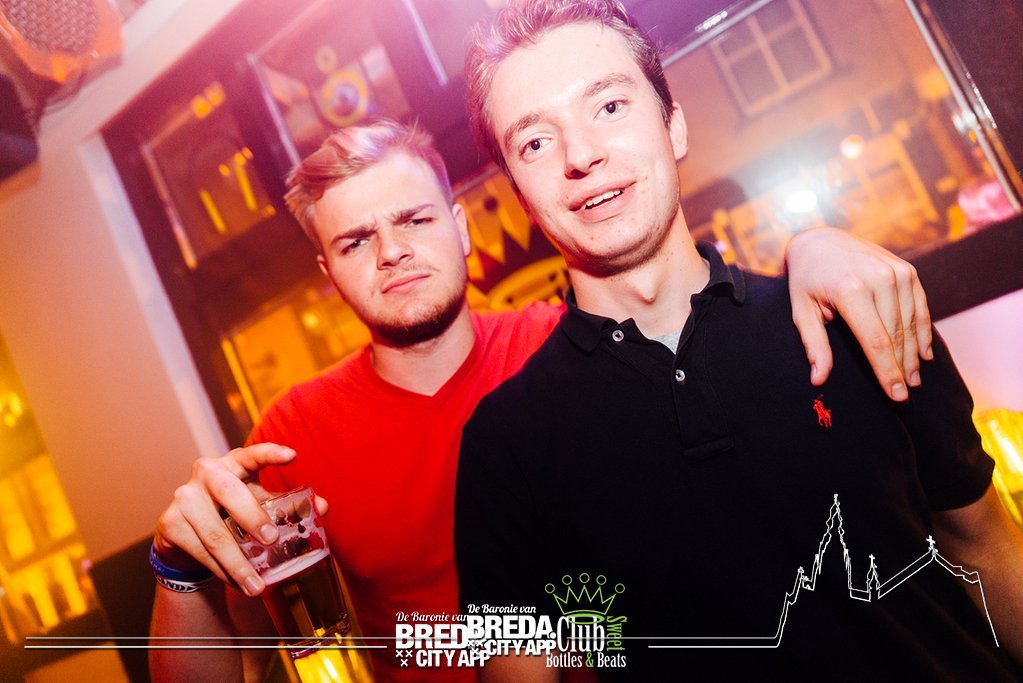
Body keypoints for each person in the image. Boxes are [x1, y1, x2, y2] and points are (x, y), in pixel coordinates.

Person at [148, 116, 936, 682]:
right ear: (327, 272)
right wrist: (180, 569)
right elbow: (238, 661)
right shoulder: (294, 433)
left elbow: (705, 322)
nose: (392, 253)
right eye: (355, 241)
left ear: (461, 228)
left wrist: (813, 248)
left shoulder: (567, 349)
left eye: (414, 219)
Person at [453, 1, 1023, 681]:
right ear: (519, 191)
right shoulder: (503, 446)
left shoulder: (854, 310)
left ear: (673, 124)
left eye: (609, 106)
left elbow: (985, 547)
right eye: (535, 143)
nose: (581, 155)